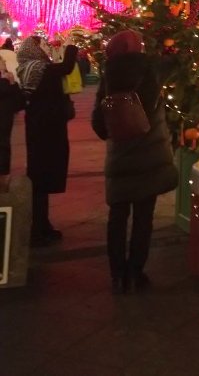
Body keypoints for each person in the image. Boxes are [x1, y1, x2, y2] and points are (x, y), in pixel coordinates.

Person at [91, 29, 178, 294]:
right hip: (149, 160)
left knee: (117, 218)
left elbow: (98, 124)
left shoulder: (108, 78)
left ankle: (117, 275)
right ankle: (136, 272)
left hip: (120, 161)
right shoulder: (151, 71)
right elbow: (177, 63)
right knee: (143, 218)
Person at [16, 35, 78, 246]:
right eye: (40, 46)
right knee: (41, 179)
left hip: (38, 129)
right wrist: (71, 45)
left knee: (40, 179)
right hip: (47, 130)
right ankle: (38, 229)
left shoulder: (27, 69)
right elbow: (67, 67)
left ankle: (42, 224)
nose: (44, 48)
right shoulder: (39, 69)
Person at [0, 55, 24, 192]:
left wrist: (13, 83)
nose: (4, 62)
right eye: (2, 61)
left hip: (5, 132)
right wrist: (5, 81)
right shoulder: (4, 82)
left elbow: (19, 103)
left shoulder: (8, 80)